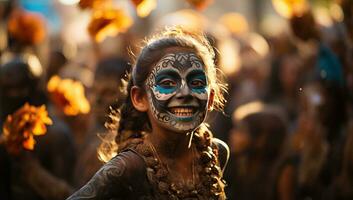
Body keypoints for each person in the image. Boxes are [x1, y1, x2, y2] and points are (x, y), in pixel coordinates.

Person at [67, 27, 230, 199]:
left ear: (211, 98)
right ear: (140, 98)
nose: (185, 93)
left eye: (196, 82)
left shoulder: (215, 154)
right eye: (167, 83)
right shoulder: (128, 168)